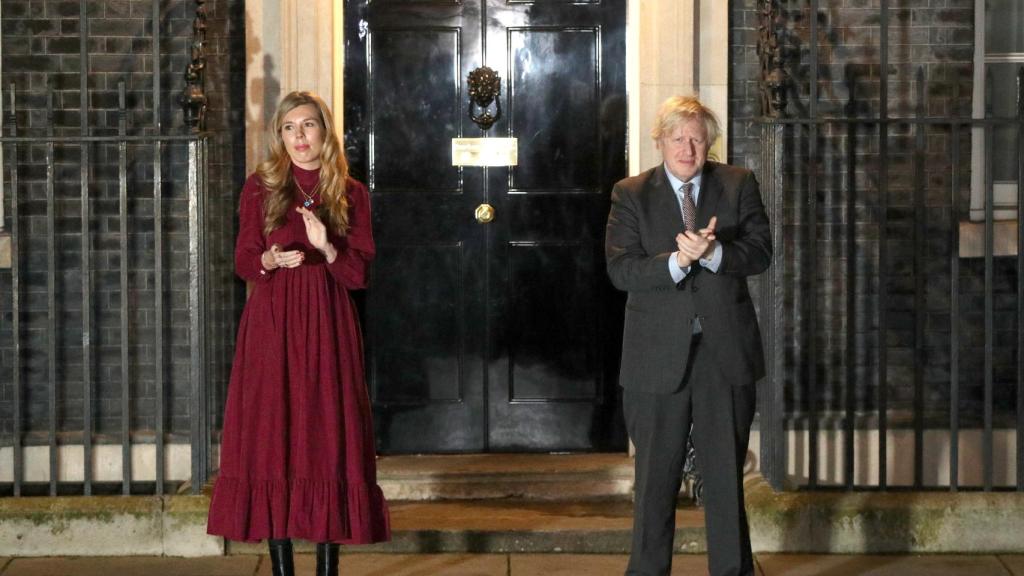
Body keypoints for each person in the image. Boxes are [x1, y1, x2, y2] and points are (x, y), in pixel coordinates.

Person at [207, 91, 390, 576]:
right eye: (289, 128)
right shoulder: (260, 187)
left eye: (307, 126)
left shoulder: (350, 193)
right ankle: (283, 567)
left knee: (327, 436)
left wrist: (327, 247)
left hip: (328, 323)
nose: (299, 137)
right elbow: (243, 258)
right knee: (274, 437)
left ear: (324, 132)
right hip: (271, 323)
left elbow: (359, 275)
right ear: (279, 135)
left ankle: (328, 567)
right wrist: (268, 260)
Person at [605, 95, 772, 576]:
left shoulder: (738, 184)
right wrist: (678, 262)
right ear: (659, 142)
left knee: (724, 479)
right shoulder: (630, 194)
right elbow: (621, 269)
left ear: (709, 143)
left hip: (723, 355)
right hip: (656, 357)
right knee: (655, 480)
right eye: (677, 137)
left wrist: (714, 254)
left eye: (697, 138)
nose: (687, 147)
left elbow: (760, 252)